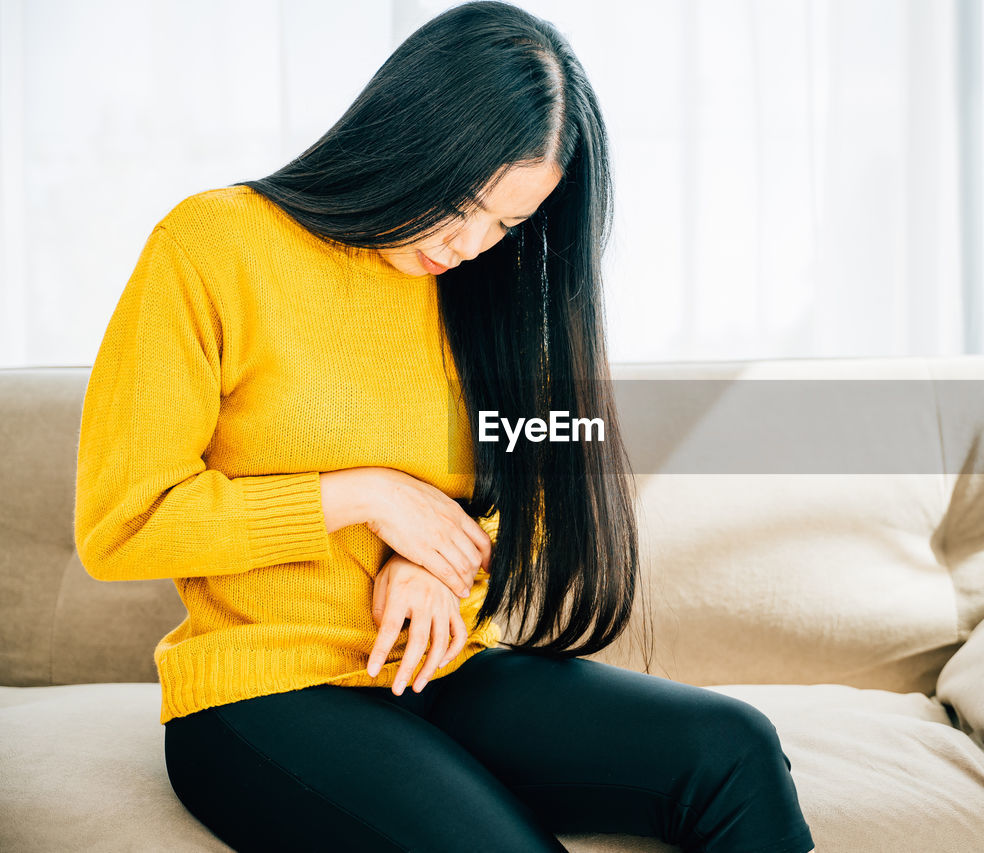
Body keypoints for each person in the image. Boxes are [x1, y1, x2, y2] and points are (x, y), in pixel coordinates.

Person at [73, 2, 816, 851]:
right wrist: (364, 498)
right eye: (463, 202)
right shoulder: (213, 247)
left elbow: (539, 477)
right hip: (260, 693)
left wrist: (439, 564)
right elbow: (123, 523)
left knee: (733, 746)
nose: (470, 244)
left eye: (506, 223)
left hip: (445, 665)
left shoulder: (485, 289)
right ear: (408, 133)